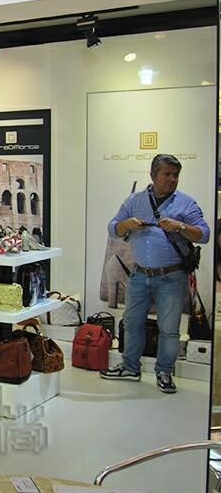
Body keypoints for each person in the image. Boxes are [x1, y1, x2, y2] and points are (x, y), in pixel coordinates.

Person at [101, 154, 209, 394]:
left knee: (169, 329)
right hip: (139, 275)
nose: (172, 179)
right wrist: (126, 224)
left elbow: (204, 234)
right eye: (167, 174)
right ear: (153, 175)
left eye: (176, 175)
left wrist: (180, 226)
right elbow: (113, 228)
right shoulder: (135, 200)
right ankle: (130, 367)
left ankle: (164, 372)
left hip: (172, 276)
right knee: (131, 323)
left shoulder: (186, 203)